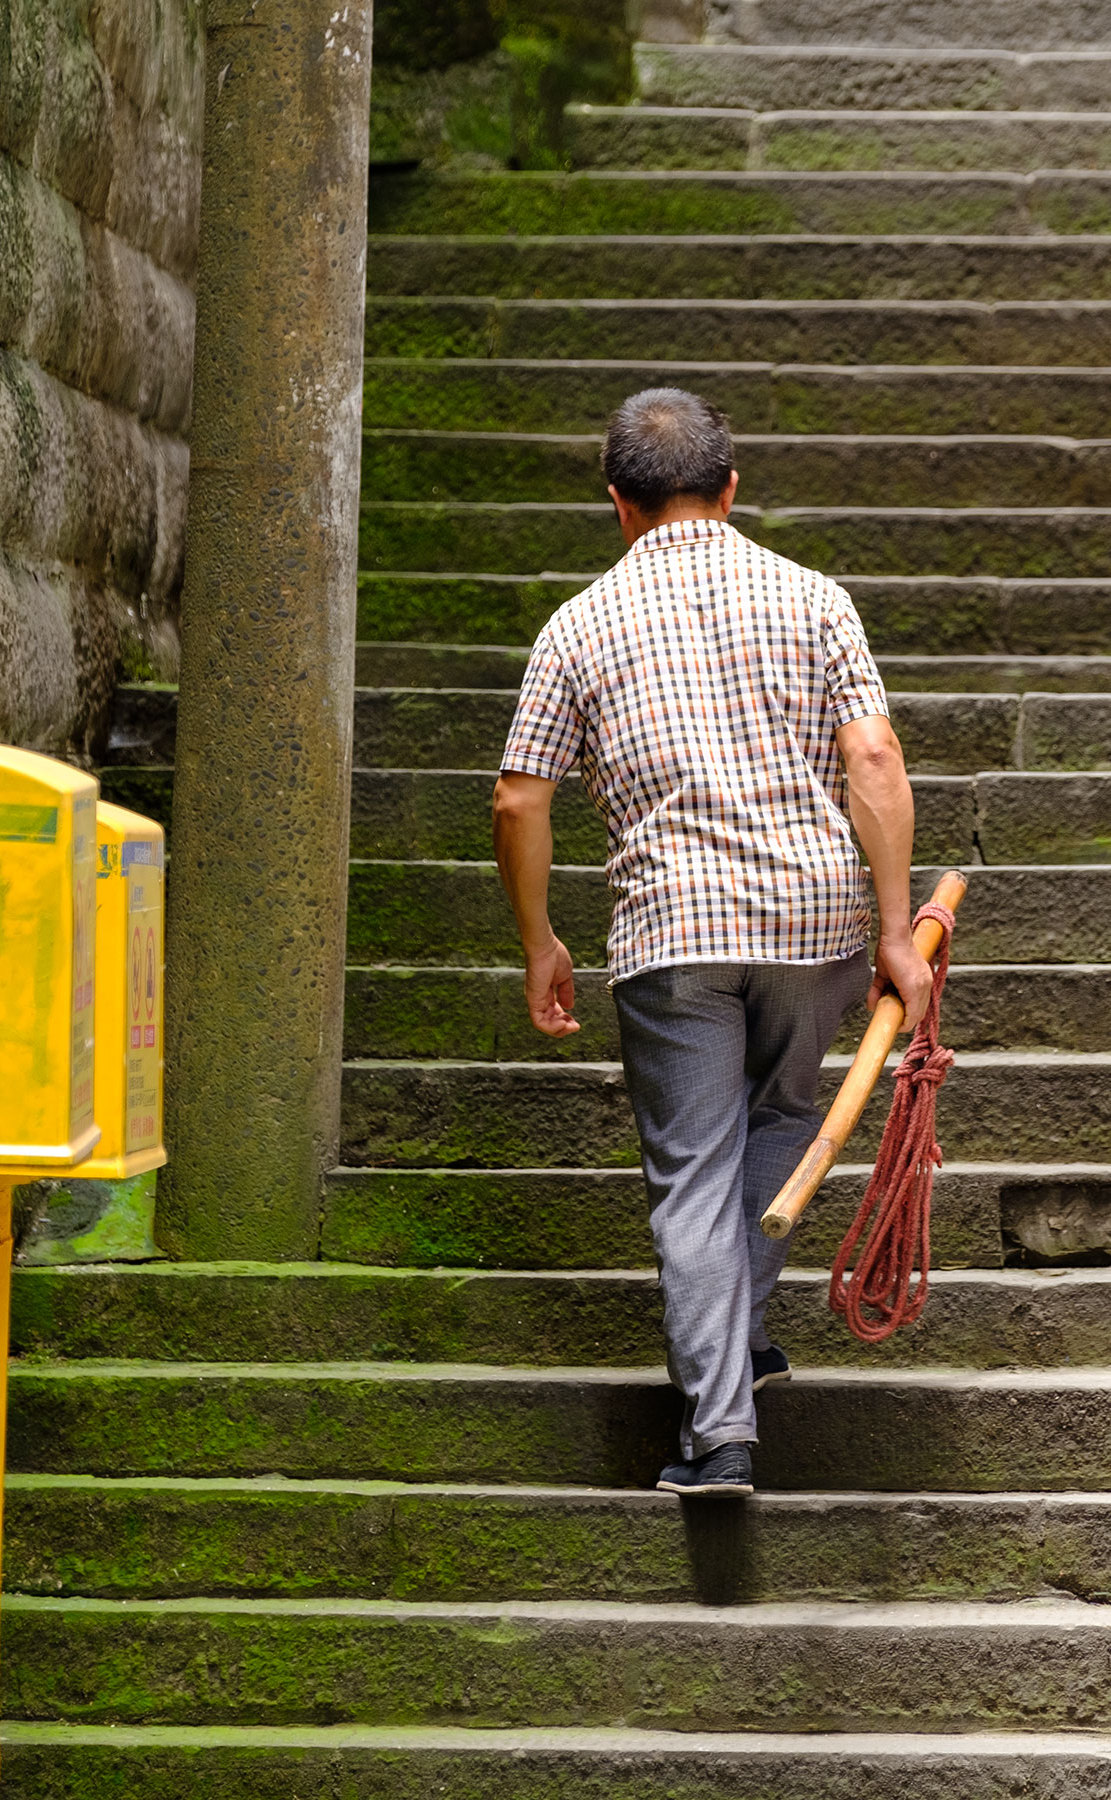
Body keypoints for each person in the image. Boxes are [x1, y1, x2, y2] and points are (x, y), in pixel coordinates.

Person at [492, 388, 932, 1498]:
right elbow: (874, 759)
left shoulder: (577, 625)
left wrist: (542, 938)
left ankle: (721, 1433)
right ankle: (731, 1350)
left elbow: (516, 800)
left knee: (693, 1176)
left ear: (618, 505)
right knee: (785, 1119)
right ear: (732, 490)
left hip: (674, 929)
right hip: (814, 922)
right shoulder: (812, 598)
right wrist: (894, 931)